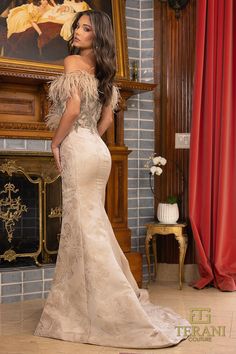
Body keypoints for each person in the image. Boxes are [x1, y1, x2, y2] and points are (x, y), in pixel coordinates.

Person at [34, 10, 190, 348]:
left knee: (83, 229)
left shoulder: (72, 63)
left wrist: (56, 141)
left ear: (98, 35)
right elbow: (105, 119)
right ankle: (96, 300)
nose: (77, 32)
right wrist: (89, 137)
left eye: (85, 28)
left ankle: (103, 306)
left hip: (78, 147)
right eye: (77, 26)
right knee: (94, 227)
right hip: (97, 150)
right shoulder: (106, 74)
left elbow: (72, 110)